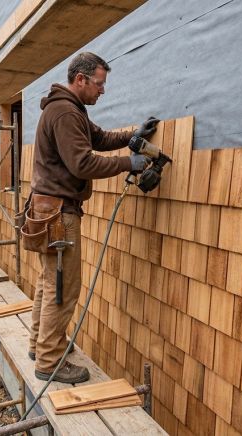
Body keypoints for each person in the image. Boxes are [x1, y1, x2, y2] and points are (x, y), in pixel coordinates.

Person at [27, 52, 159, 383]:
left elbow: (98, 138)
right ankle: (49, 361)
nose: (103, 91)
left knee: (49, 282)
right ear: (81, 79)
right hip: (59, 213)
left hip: (48, 209)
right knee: (63, 286)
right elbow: (83, 164)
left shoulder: (70, 109)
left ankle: (39, 345)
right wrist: (130, 163)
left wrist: (131, 137)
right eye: (100, 84)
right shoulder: (64, 112)